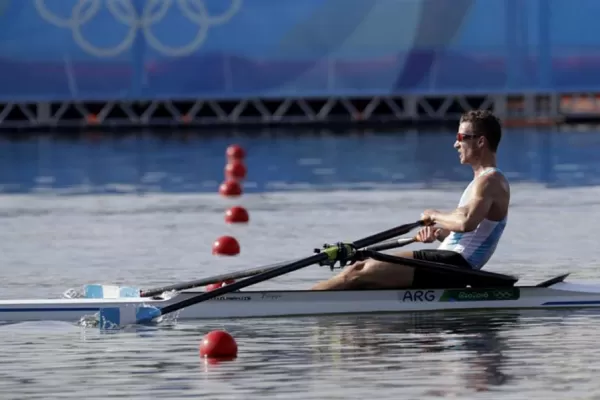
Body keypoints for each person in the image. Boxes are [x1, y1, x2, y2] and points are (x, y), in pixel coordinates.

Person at [312, 109, 510, 290]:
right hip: (448, 261)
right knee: (362, 276)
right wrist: (439, 233)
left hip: (455, 264)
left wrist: (434, 214)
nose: (456, 143)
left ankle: (298, 302)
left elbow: (466, 222)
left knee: (358, 270)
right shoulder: (481, 182)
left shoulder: (489, 180)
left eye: (461, 137)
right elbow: (471, 232)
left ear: (481, 142)